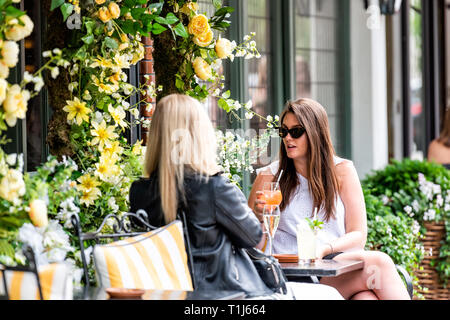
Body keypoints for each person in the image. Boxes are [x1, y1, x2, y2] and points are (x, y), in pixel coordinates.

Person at [129, 93, 343, 300]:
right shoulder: (214, 187)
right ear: (199, 135)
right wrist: (259, 214)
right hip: (225, 295)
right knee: (331, 295)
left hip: (164, 294)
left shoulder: (139, 191)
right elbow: (255, 242)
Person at [248, 98, 411, 300]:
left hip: (331, 266)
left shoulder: (342, 171)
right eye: (283, 131)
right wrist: (257, 216)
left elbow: (358, 234)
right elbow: (250, 243)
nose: (288, 138)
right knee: (379, 263)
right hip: (290, 273)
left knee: (366, 298)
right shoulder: (269, 176)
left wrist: (324, 249)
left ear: (315, 132)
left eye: (296, 131)